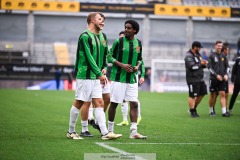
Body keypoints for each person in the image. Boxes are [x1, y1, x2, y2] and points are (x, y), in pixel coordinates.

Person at [66, 12, 121, 140]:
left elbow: (104, 55)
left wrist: (104, 68)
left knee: (99, 102)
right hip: (85, 75)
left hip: (96, 76)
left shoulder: (103, 36)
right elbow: (89, 57)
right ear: (91, 20)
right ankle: (71, 131)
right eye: (100, 19)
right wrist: (98, 73)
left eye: (103, 20)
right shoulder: (84, 37)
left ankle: (105, 133)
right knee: (79, 101)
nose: (103, 22)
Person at [107, 20, 147, 139]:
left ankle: (133, 132)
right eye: (125, 27)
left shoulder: (138, 43)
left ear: (135, 30)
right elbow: (109, 57)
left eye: (129, 28)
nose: (126, 30)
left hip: (132, 79)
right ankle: (110, 131)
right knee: (114, 103)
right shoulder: (118, 41)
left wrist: (137, 67)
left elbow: (140, 59)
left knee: (134, 104)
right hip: (118, 78)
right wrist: (122, 65)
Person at [117, 61, 145, 126]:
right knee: (123, 98)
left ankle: (138, 116)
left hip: (133, 75)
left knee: (133, 98)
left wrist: (142, 75)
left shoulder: (136, 51)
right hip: (123, 75)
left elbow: (141, 63)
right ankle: (125, 120)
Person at [184, 41, 208, 118]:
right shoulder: (188, 56)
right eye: (199, 47)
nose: (200, 49)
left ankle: (193, 108)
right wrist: (201, 64)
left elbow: (200, 64)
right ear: (195, 47)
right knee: (192, 95)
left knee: (203, 93)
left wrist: (204, 64)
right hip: (192, 79)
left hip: (200, 78)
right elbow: (192, 67)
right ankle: (193, 111)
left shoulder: (198, 55)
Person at [208, 40, 230, 117]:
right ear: (215, 46)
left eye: (221, 46)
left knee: (223, 94)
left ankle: (224, 112)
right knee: (213, 94)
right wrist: (216, 75)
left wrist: (226, 74)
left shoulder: (224, 56)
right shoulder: (211, 55)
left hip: (222, 78)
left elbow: (227, 67)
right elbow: (209, 67)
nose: (219, 47)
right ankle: (211, 110)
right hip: (214, 78)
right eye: (218, 46)